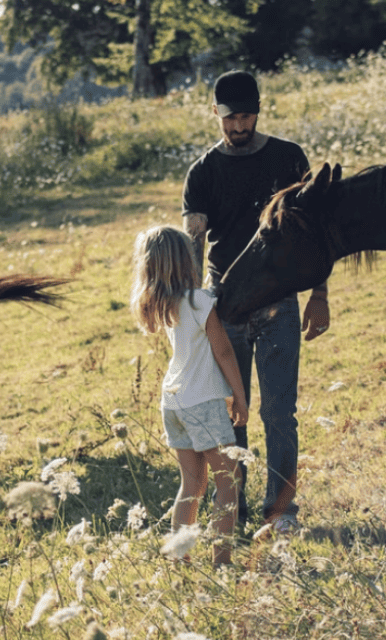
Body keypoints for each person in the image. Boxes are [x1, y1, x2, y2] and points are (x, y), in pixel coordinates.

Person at [182, 70, 328, 534]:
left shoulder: (288, 159)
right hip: (225, 307)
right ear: (215, 114)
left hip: (279, 301)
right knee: (232, 413)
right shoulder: (202, 172)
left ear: (258, 111)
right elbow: (194, 245)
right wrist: (192, 310)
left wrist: (319, 294)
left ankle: (281, 512)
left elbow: (314, 232)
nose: (237, 127)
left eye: (245, 117)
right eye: (229, 119)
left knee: (280, 412)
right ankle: (235, 512)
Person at [130, 225, 250, 565]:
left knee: (192, 485)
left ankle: (178, 559)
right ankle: (221, 560)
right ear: (186, 261)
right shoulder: (199, 301)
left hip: (174, 401)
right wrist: (238, 396)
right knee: (230, 480)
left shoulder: (163, 305)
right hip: (203, 402)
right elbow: (224, 351)